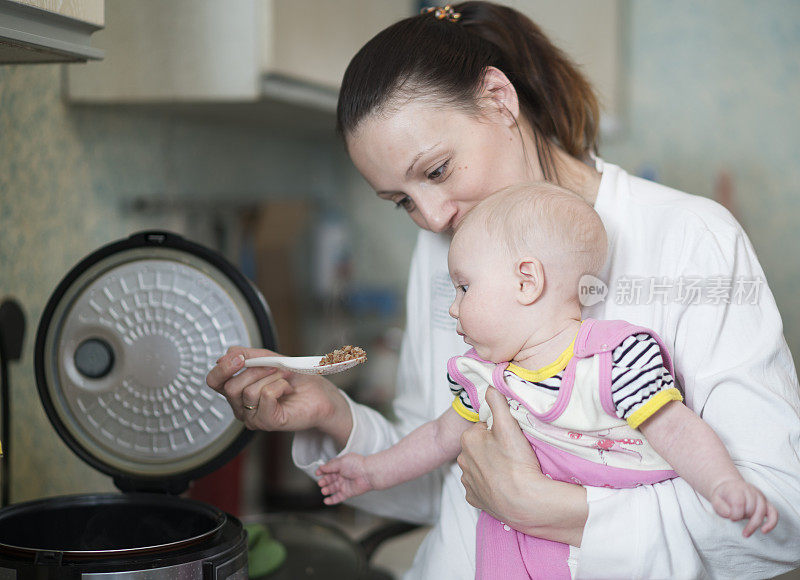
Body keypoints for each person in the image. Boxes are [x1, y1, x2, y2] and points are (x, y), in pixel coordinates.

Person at [206, 2, 800, 577]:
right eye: (402, 202)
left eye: (437, 170)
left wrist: (551, 511)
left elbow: (781, 525)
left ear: (498, 98)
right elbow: (442, 470)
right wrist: (333, 416)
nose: (434, 216)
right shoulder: (446, 245)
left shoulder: (689, 237)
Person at [314, 183, 778, 579]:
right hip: (507, 552)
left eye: (464, 287)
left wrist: (721, 485)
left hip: (609, 556)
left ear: (526, 281)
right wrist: (372, 471)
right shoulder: (481, 374)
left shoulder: (612, 361)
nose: (453, 307)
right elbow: (439, 436)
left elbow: (676, 430)